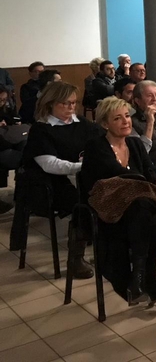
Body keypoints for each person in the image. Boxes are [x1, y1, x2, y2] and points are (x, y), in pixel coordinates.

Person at [11, 82, 103, 277]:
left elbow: (101, 143)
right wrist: (83, 166)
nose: (71, 107)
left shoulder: (81, 123)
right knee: (84, 203)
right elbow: (49, 164)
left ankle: (108, 248)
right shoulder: (41, 129)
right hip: (48, 182)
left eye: (74, 103)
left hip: (78, 176)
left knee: (109, 194)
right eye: (66, 103)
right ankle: (75, 258)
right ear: (51, 103)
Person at [81, 97, 156, 305]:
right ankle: (144, 276)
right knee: (144, 206)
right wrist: (150, 181)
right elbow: (119, 175)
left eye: (127, 116)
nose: (126, 121)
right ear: (105, 124)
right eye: (117, 118)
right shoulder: (96, 147)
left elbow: (150, 171)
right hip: (110, 211)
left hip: (137, 214)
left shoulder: (135, 144)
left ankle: (142, 275)